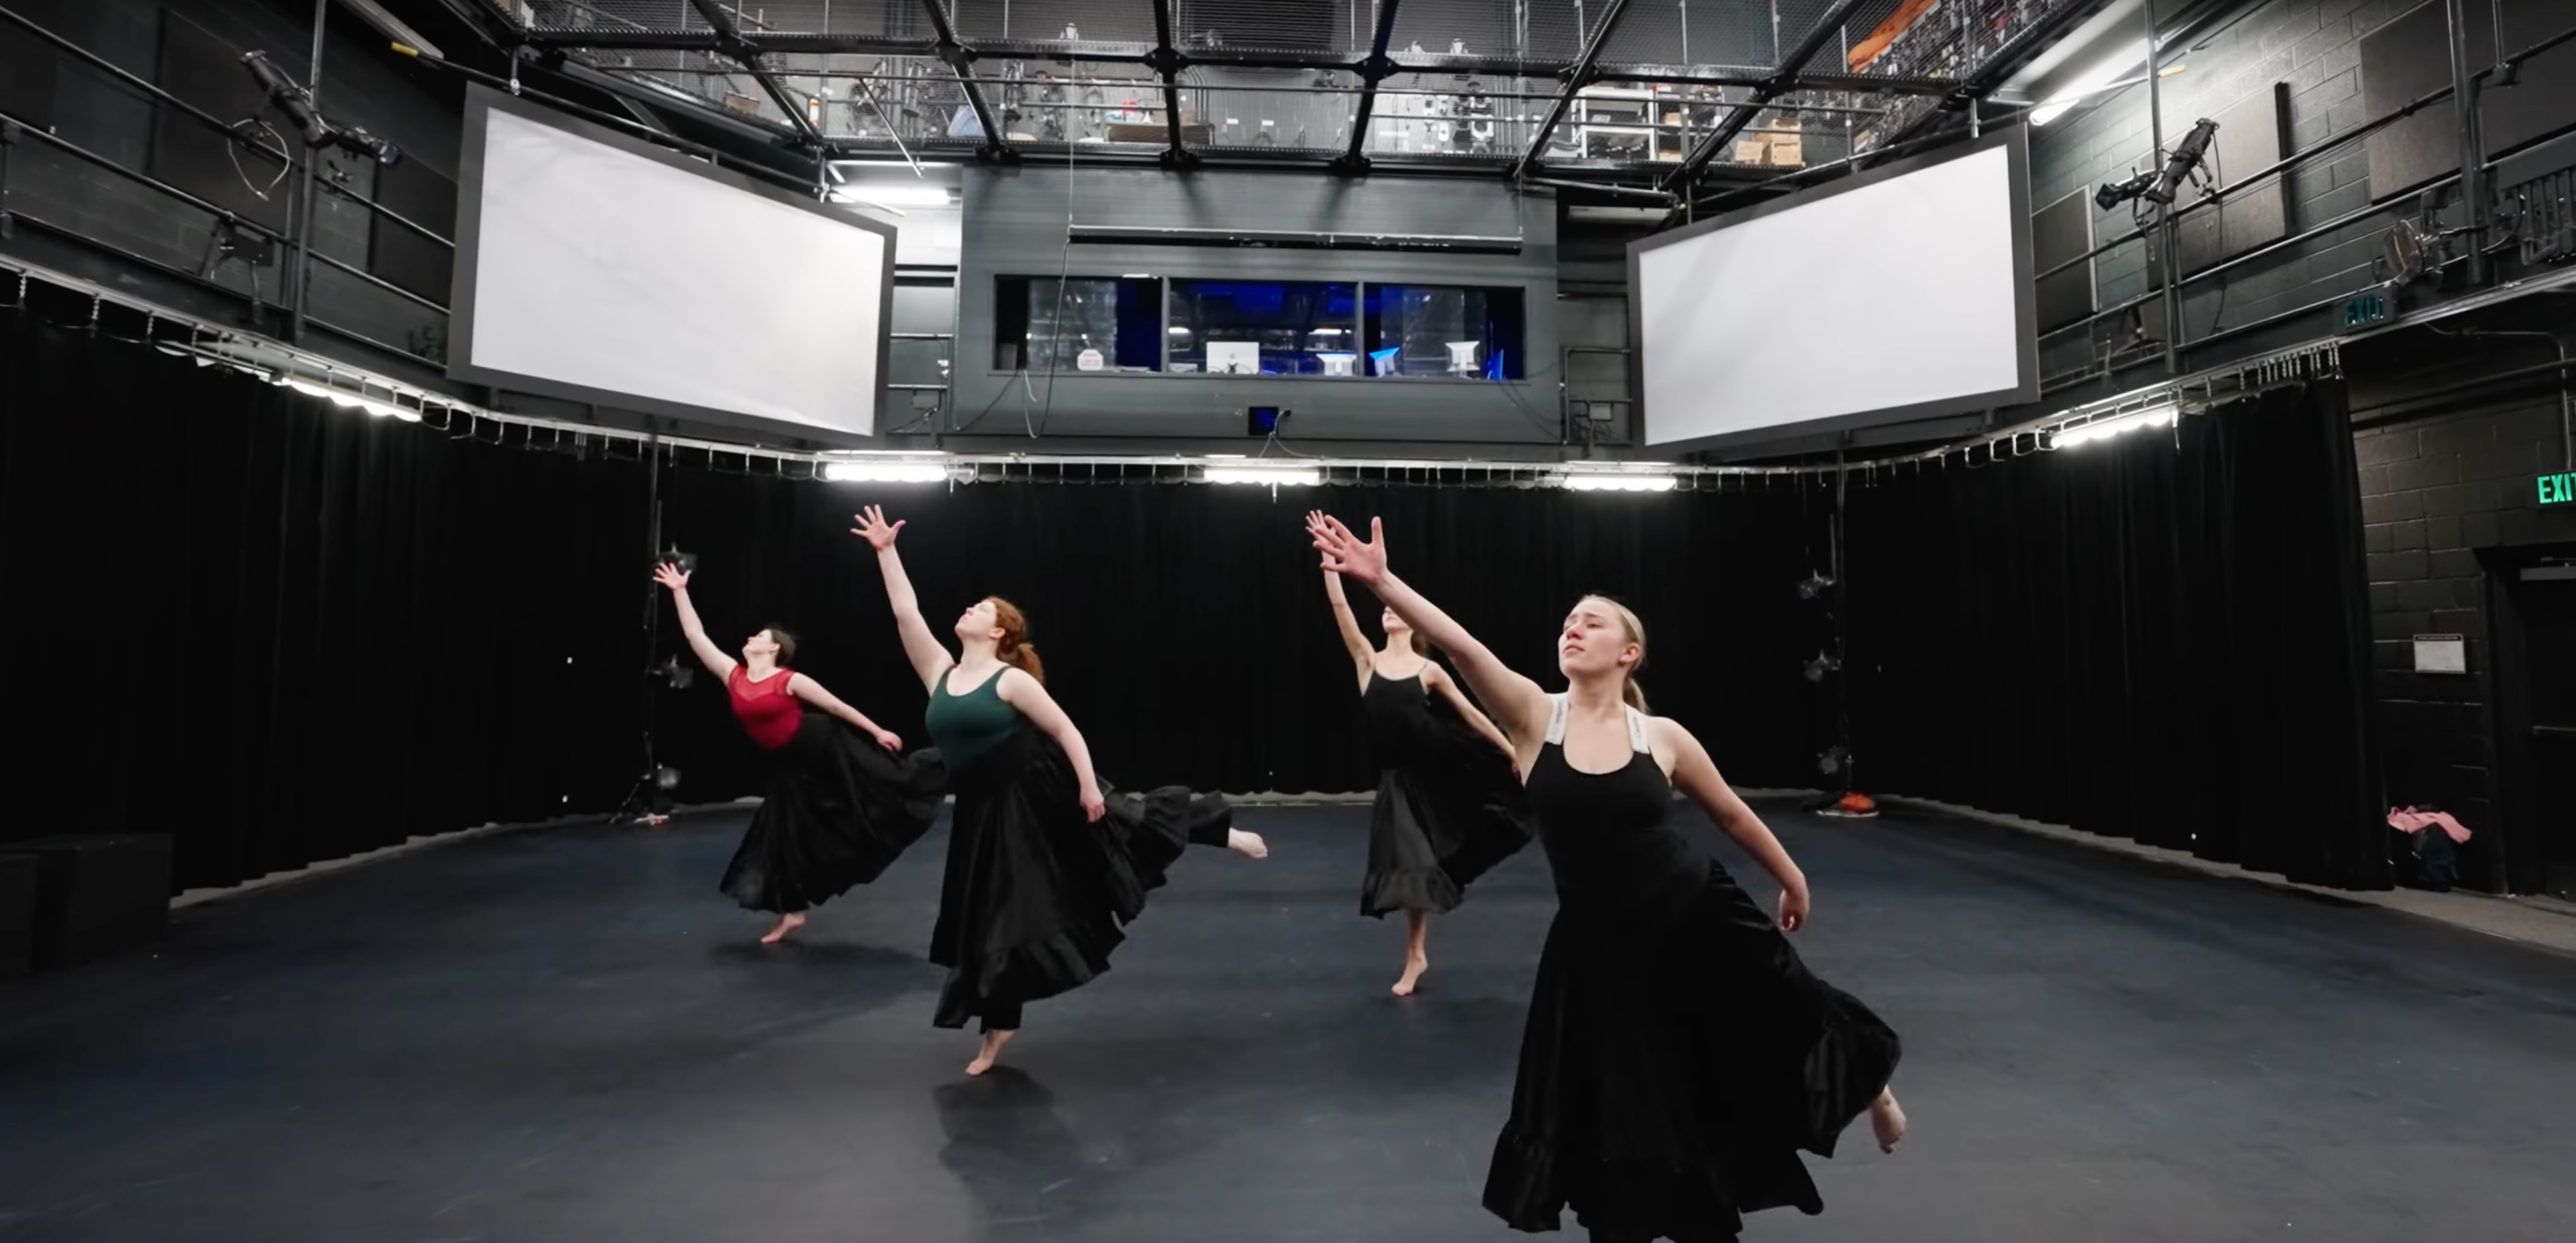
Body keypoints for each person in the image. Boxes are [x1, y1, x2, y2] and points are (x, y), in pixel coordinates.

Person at [1306, 513, 1907, 1243]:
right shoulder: (1534, 717)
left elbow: (1733, 816)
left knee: (1788, 996)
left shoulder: (1662, 736)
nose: (1571, 628)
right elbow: (1461, 646)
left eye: (1589, 623)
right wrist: (1382, 579)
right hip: (1596, 948)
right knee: (1622, 1098)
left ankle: (1871, 1087)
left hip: (1693, 910)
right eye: (1567, 622)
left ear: (1628, 652)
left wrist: (1792, 876)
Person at [853, 506, 1269, 1076]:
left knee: (1128, 820)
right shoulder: (940, 673)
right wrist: (886, 552)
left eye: (983, 608)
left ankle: (1223, 830)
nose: (969, 608)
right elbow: (906, 613)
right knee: (991, 914)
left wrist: (1086, 788)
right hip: (983, 811)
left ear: (998, 631)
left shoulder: (1012, 680)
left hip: (1038, 789)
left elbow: (1065, 731)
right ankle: (998, 1026)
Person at [652, 560, 943, 945]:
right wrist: (679, 591)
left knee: (883, 785)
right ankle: (793, 913)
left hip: (825, 747)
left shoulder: (790, 680)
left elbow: (836, 707)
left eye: (759, 635)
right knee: (784, 833)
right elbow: (695, 635)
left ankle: (946, 767)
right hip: (790, 767)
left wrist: (877, 731)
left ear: (774, 647)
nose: (751, 638)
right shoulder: (732, 674)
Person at [1316, 550, 1531, 996]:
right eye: (1386, 608)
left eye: (1399, 609)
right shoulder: (1366, 662)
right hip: (1399, 778)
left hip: (1443, 766)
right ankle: (1416, 954)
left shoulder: (1428, 669)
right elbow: (1341, 613)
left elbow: (1471, 714)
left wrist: (1512, 748)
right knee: (1410, 862)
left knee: (1439, 849)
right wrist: (1331, 569)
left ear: (1413, 624)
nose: (1390, 610)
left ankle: (1416, 955)